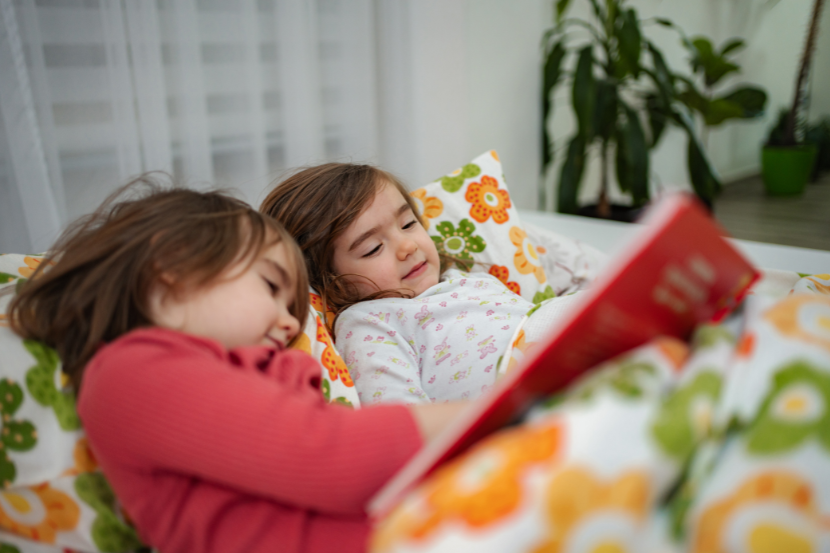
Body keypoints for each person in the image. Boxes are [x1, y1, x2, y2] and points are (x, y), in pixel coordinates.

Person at [7, 176, 464, 553]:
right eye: (271, 287)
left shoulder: (251, 369)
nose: (292, 325)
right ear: (174, 267)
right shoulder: (127, 371)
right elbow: (327, 454)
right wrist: (483, 414)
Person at [261, 164, 537, 406]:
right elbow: (401, 416)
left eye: (408, 224)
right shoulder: (370, 322)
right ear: (331, 282)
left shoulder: (471, 280)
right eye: (373, 248)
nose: (408, 246)